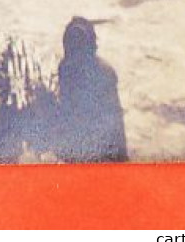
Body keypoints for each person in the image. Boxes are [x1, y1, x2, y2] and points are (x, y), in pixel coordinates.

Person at [52, 17, 128, 162]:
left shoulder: (104, 73)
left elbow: (115, 122)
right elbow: (66, 109)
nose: (76, 57)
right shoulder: (66, 68)